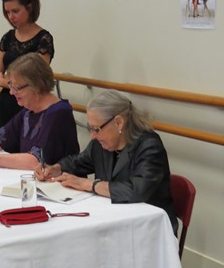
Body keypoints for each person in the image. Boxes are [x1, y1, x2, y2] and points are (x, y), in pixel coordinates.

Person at [35, 89, 178, 234]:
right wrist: (55, 168)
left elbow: (137, 190)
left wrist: (90, 184)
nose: (92, 136)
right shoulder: (101, 144)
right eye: (90, 128)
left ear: (118, 122)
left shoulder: (149, 146)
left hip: (149, 228)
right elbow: (77, 162)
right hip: (116, 220)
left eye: (96, 129)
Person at [0, 0, 55, 127]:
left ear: (29, 7)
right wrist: (10, 83)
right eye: (7, 12)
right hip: (6, 104)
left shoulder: (44, 39)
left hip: (30, 105)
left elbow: (35, 79)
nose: (11, 16)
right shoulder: (7, 37)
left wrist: (4, 82)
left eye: (15, 11)